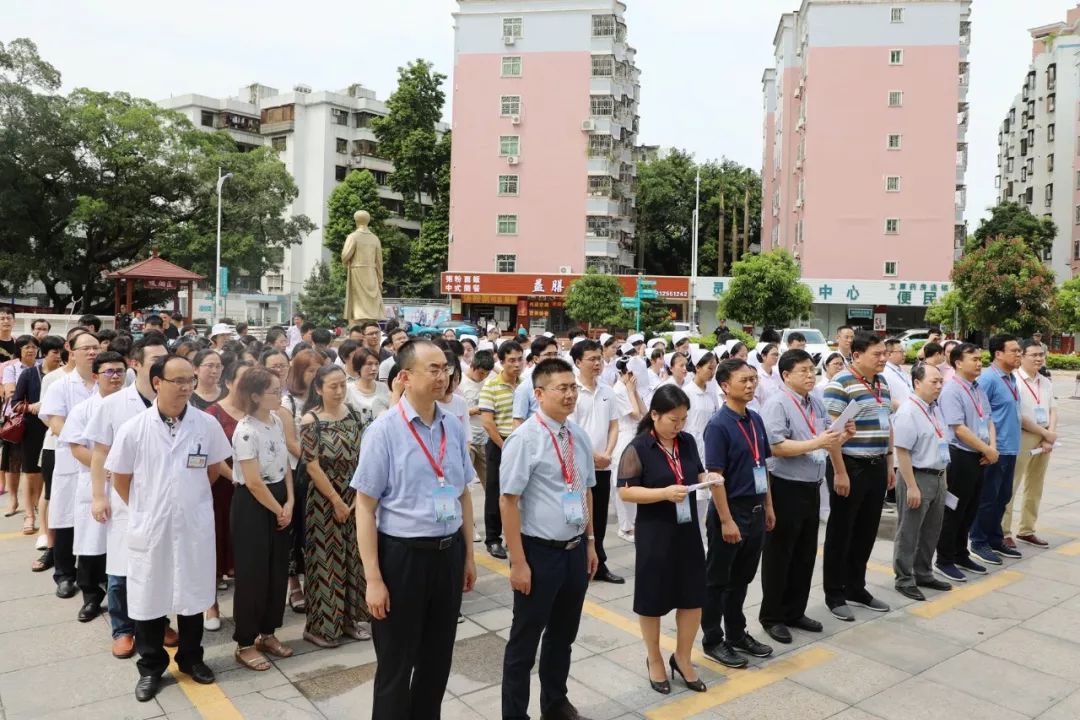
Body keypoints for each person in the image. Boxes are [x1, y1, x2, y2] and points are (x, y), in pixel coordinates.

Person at [353, 339, 476, 718]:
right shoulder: (384, 431)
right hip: (402, 558)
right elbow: (365, 506)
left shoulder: (452, 427)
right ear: (404, 377)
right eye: (434, 369)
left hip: (447, 554)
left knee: (437, 659)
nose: (444, 376)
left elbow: (463, 496)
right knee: (395, 662)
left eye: (446, 368)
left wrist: (469, 555)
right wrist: (373, 578)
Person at [107, 355, 231, 702]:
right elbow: (120, 477)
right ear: (157, 382)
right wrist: (148, 509)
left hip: (193, 525)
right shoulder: (135, 428)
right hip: (152, 526)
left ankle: (191, 659)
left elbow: (211, 468)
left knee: (192, 596)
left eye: (190, 380)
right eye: (178, 381)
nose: (187, 387)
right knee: (149, 598)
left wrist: (185, 502)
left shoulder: (206, 425)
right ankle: (151, 667)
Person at [499, 357, 598, 720]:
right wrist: (519, 562)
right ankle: (515, 715)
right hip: (538, 553)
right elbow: (507, 500)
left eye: (573, 387)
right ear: (539, 394)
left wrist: (590, 543)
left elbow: (586, 490)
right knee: (525, 642)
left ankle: (555, 705)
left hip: (573, 550)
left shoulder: (577, 435)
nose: (571, 394)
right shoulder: (525, 438)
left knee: (562, 636)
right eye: (563, 388)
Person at [618, 385, 712, 694]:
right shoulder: (639, 447)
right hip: (656, 531)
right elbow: (626, 491)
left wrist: (707, 479)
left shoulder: (686, 442)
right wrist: (663, 493)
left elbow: (696, 473)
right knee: (653, 598)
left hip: (687, 529)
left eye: (684, 419)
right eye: (674, 419)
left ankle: (683, 658)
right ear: (654, 415)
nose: (679, 425)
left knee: (693, 595)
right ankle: (654, 658)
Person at [87, 334, 170, 658]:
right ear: (135, 364)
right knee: (121, 568)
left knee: (159, 566)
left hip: (161, 500)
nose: (161, 368)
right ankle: (122, 629)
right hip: (123, 499)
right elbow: (99, 454)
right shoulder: (114, 405)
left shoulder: (175, 402)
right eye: (154, 362)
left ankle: (159, 622)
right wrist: (98, 496)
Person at [759, 349, 850, 644]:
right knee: (780, 554)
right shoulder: (777, 404)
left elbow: (825, 437)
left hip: (811, 485)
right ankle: (772, 616)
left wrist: (843, 434)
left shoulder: (816, 402)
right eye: (803, 371)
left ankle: (794, 610)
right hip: (785, 486)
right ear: (786, 376)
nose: (811, 375)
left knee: (805, 552)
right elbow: (775, 446)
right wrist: (817, 442)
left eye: (812, 370)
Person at [700, 359, 775, 668]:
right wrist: (727, 519)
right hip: (730, 512)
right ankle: (713, 639)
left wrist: (769, 506)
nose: (750, 385)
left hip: (755, 511)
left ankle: (736, 633)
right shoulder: (718, 425)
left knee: (742, 578)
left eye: (753, 379)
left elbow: (763, 466)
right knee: (718, 580)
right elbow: (714, 477)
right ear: (725, 386)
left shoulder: (755, 419)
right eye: (743, 380)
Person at [821, 331, 893, 621]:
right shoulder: (840, 384)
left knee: (866, 530)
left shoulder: (882, 383)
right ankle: (834, 593)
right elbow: (832, 432)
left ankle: (856, 586)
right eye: (877, 354)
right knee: (841, 532)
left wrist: (890, 465)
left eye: (884, 353)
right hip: (849, 465)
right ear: (857, 355)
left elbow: (887, 424)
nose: (883, 359)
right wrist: (839, 471)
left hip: (876, 464)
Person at [300, 365, 372, 647]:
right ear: (318, 389)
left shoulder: (353, 415)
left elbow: (363, 455)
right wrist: (337, 500)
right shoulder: (311, 420)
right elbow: (312, 465)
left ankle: (350, 621)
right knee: (326, 563)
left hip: (354, 496)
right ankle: (320, 627)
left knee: (353, 559)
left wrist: (355, 497)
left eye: (343, 384)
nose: (339, 391)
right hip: (324, 500)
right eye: (333, 386)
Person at [230, 367, 295, 670]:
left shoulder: (276, 422)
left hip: (280, 498)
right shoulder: (246, 430)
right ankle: (244, 642)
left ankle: (267, 633)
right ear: (255, 395)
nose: (279, 394)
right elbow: (254, 481)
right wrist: (278, 509)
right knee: (253, 575)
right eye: (272, 390)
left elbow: (285, 465)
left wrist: (290, 501)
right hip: (254, 505)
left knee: (276, 571)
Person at [61, 350, 127, 622]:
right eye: (109, 372)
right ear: (96, 376)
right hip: (95, 484)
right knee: (91, 546)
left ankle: (124, 604)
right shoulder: (83, 409)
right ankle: (91, 598)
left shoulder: (133, 406)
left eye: (120, 371)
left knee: (121, 548)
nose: (115, 377)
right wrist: (108, 468)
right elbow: (77, 448)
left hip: (125, 486)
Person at [40, 330, 100, 600]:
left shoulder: (109, 383)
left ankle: (95, 575)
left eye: (96, 347)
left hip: (99, 462)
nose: (91, 352)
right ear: (71, 351)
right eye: (85, 348)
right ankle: (64, 574)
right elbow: (54, 422)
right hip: (70, 459)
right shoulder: (60, 386)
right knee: (65, 520)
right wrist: (81, 445)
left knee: (96, 520)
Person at [934, 342, 996, 583]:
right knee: (954, 509)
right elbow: (958, 428)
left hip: (980, 455)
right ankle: (944, 559)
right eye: (974, 359)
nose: (980, 363)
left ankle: (961, 553)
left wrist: (992, 448)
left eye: (981, 359)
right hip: (960, 456)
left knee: (971, 507)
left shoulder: (977, 388)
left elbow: (988, 420)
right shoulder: (951, 390)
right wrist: (987, 449)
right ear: (958, 362)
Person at [891, 363, 954, 601]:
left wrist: (943, 479)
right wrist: (912, 486)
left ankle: (924, 572)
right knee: (909, 531)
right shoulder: (909, 411)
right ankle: (904, 578)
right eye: (933, 382)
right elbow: (902, 451)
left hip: (937, 476)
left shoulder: (934, 408)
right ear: (917, 383)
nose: (939, 386)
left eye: (940, 381)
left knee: (931, 530)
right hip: (916, 476)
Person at [203, 360, 254, 630]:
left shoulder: (256, 412)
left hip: (252, 490)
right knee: (216, 546)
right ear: (229, 382)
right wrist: (235, 477)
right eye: (242, 379)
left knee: (244, 551)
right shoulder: (212, 413)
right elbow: (213, 456)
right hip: (223, 488)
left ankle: (246, 608)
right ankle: (211, 606)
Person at [569, 339, 622, 584]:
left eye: (599, 358)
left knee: (599, 515)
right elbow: (570, 431)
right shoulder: (572, 392)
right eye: (592, 358)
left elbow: (614, 425)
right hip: (578, 465)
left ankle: (598, 563)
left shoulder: (607, 391)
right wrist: (593, 455)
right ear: (578, 362)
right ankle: (578, 563)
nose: (597, 363)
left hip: (603, 464)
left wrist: (608, 453)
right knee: (579, 514)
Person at [968, 333, 1023, 565]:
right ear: (998, 354)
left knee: (1003, 496)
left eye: (1020, 351)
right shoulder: (988, 379)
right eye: (1014, 351)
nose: (1019, 354)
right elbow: (979, 416)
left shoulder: (1011, 378)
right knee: (988, 498)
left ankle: (994, 538)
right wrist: (986, 448)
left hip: (1010, 449)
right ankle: (978, 541)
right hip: (994, 450)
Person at [15, 334, 63, 570]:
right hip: (34, 429)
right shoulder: (30, 374)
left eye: (60, 351)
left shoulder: (66, 376)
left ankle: (43, 525)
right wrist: (32, 407)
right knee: (31, 473)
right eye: (54, 352)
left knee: (47, 483)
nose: (58, 356)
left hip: (54, 432)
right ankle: (31, 517)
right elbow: (15, 403)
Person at [282, 348, 325, 611]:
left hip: (320, 473)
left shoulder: (322, 398)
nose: (315, 375)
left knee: (315, 530)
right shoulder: (289, 402)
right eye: (310, 370)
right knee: (294, 531)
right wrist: (314, 461)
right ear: (299, 372)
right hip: (298, 473)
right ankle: (294, 586)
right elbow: (290, 441)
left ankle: (316, 582)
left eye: (319, 370)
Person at [1003, 339, 1056, 549]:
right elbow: (1018, 416)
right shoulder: (1013, 380)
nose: (1038, 359)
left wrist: (1049, 435)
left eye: (1041, 355)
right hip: (1022, 436)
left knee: (1035, 486)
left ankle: (1027, 529)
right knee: (1011, 485)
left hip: (1044, 439)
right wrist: (1045, 432)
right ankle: (1004, 531)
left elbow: (1053, 410)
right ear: (1021, 356)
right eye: (1033, 355)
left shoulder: (1045, 381)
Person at [479, 340, 524, 559]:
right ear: (502, 361)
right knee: (496, 491)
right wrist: (506, 446)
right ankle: (493, 539)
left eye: (520, 359)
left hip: (523, 444)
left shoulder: (525, 384)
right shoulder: (491, 386)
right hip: (500, 444)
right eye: (512, 360)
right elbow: (487, 421)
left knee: (520, 491)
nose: (517, 365)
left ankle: (515, 535)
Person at [2, 334, 40, 534]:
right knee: (13, 464)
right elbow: (10, 392)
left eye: (33, 347)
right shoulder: (12, 368)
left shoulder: (42, 367)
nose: (30, 350)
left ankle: (33, 504)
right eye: (26, 347)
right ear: (19, 350)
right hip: (16, 421)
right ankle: (14, 500)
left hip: (35, 422)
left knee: (32, 467)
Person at [683, 350, 718, 545]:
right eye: (709, 368)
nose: (712, 372)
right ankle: (691, 540)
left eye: (714, 368)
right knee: (693, 495)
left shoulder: (710, 393)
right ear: (697, 367)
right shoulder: (687, 393)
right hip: (691, 449)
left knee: (704, 495)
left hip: (707, 448)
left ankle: (699, 539)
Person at [612, 356, 646, 543]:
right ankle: (624, 527)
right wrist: (631, 392)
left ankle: (632, 524)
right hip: (624, 438)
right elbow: (634, 415)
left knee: (634, 482)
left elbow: (645, 413)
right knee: (623, 483)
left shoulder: (629, 389)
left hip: (634, 437)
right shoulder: (618, 390)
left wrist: (635, 392)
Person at [459, 349, 495, 490]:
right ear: (472, 366)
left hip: (484, 438)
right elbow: (455, 412)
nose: (483, 376)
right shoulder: (460, 382)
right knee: (462, 482)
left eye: (486, 373)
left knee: (490, 483)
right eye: (481, 373)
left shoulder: (489, 382)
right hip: (468, 439)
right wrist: (475, 410)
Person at [511, 336, 559, 429]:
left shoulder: (560, 383)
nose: (553, 358)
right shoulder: (525, 387)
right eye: (548, 354)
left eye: (555, 354)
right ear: (536, 359)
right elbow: (518, 421)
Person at [347, 347, 391, 421]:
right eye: (369, 364)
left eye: (376, 364)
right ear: (358, 366)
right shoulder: (348, 389)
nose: (374, 368)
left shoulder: (383, 387)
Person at [883, 338, 912, 409]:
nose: (905, 354)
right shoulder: (884, 372)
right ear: (889, 354)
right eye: (901, 352)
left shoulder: (901, 369)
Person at [753, 343, 781, 409]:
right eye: (773, 355)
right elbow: (755, 400)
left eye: (777, 355)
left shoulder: (777, 375)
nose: (776, 357)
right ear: (763, 356)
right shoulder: (757, 376)